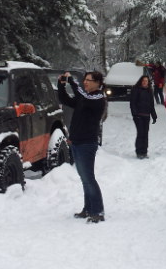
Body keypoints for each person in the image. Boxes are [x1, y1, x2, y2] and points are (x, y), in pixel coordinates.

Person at [57, 71, 107, 224]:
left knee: (88, 178)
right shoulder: (84, 97)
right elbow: (65, 100)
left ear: (98, 83)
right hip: (77, 142)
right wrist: (61, 84)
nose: (85, 82)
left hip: (87, 143)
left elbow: (84, 96)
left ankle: (98, 211)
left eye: (89, 80)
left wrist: (72, 81)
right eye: (84, 79)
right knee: (84, 179)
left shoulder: (98, 97)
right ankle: (88, 209)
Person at [130, 75, 157, 159]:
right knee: (140, 133)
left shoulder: (149, 91)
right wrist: (135, 114)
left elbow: (151, 104)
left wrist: (154, 115)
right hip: (138, 116)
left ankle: (144, 151)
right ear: (141, 81)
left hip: (147, 115)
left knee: (145, 134)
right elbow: (132, 103)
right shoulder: (136, 90)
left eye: (146, 81)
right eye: (143, 80)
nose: (145, 82)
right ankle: (139, 152)